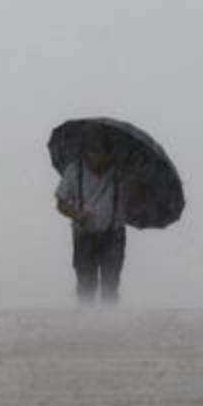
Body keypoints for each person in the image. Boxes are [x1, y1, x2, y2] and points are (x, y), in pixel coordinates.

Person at [55, 123, 127, 304]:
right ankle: (86, 324)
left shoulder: (122, 172)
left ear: (109, 153)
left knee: (111, 283)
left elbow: (137, 198)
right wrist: (78, 214)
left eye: (101, 153)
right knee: (86, 284)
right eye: (93, 152)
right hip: (84, 235)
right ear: (86, 152)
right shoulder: (74, 171)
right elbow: (61, 203)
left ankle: (110, 323)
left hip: (114, 235)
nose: (97, 158)